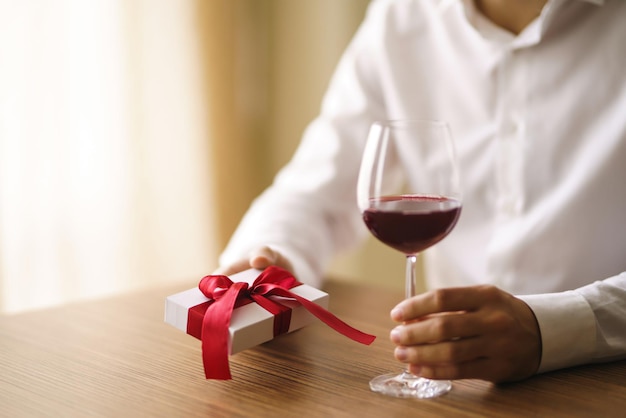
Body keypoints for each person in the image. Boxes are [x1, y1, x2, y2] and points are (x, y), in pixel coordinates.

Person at [214, 0, 626, 383]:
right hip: (456, 386)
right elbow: (314, 190)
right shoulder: (403, 14)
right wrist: (266, 262)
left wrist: (550, 328)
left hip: (602, 379)